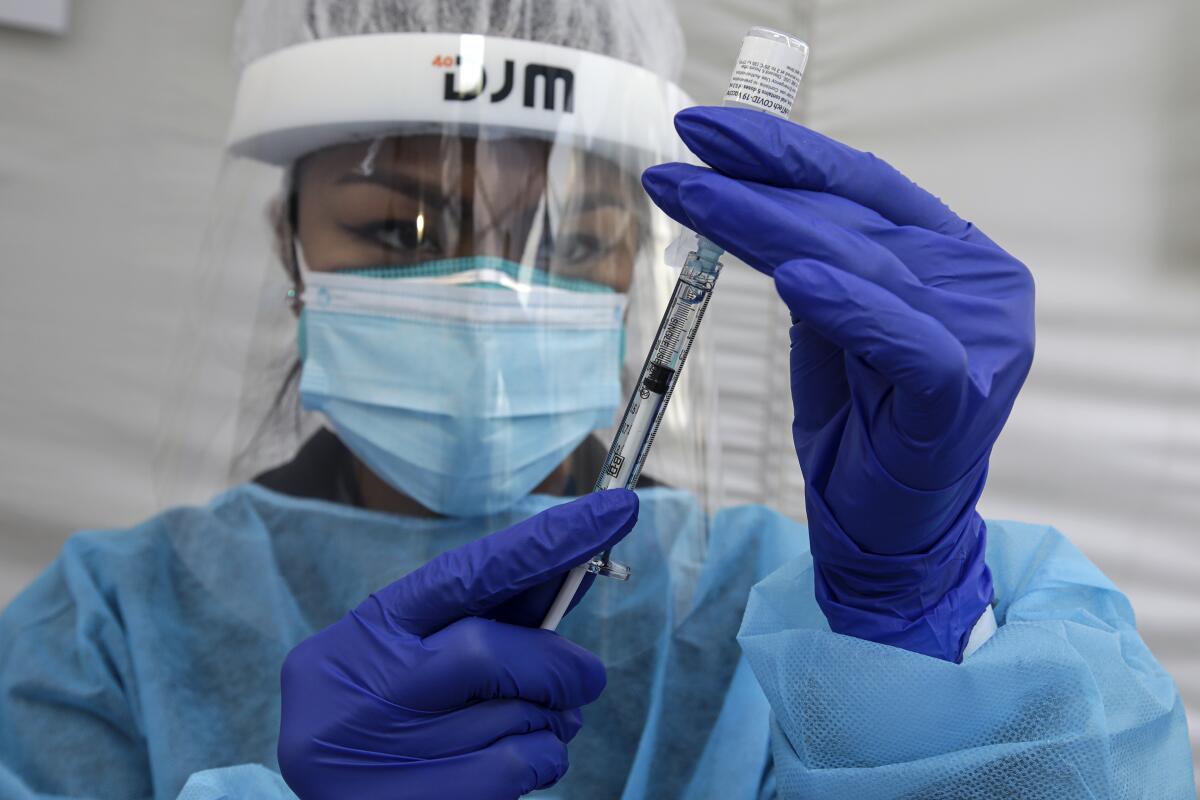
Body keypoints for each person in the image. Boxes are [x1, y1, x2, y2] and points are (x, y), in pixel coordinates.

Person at [0, 1, 1193, 798]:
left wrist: (909, 626)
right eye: (395, 228)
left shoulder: (787, 609)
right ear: (287, 247)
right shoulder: (103, 629)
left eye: (572, 239)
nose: (487, 293)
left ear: (638, 268)